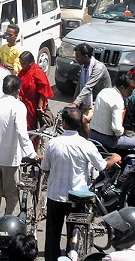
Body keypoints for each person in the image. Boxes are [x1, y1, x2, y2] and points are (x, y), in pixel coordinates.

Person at [41, 107, 121, 261]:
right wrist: (114, 159)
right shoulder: (86, 145)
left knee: (52, 235)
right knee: (75, 236)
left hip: (55, 196)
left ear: (63, 123)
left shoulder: (53, 143)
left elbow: (45, 167)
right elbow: (102, 166)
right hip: (77, 198)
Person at [0, 75, 38, 232]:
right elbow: (22, 134)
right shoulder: (18, 106)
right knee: (12, 196)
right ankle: (9, 229)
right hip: (10, 159)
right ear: (18, 90)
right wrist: (32, 154)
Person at [69, 42, 112, 132]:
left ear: (86, 56)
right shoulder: (84, 67)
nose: (76, 59)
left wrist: (76, 104)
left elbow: (88, 87)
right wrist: (73, 103)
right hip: (89, 100)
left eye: (78, 56)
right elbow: (79, 85)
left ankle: (88, 142)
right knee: (72, 118)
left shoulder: (98, 68)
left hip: (99, 101)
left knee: (82, 120)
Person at [88, 73, 135, 149]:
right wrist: (123, 132)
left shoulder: (104, 92)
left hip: (92, 134)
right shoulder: (118, 100)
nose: (131, 93)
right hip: (107, 140)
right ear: (122, 87)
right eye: (130, 90)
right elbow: (117, 128)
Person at [18, 51, 54, 132]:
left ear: (30, 63)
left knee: (32, 128)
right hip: (24, 103)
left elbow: (43, 91)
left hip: (33, 106)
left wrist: (40, 107)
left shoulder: (37, 72)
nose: (21, 65)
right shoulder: (23, 71)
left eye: (23, 63)